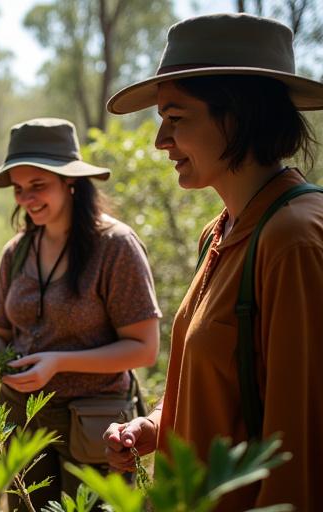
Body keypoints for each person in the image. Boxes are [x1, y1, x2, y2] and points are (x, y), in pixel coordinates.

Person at [102, 13, 323, 511]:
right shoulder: (221, 231)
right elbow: (224, 388)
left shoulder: (293, 240)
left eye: (176, 119)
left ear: (239, 117)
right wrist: (158, 425)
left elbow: (300, 454)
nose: (161, 141)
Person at [0, 117, 161, 509]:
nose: (26, 199)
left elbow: (144, 349)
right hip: (21, 419)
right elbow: (1, 332)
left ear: (71, 182)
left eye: (38, 186)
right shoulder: (17, 251)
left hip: (95, 424)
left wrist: (58, 362)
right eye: (18, 189)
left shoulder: (115, 246)